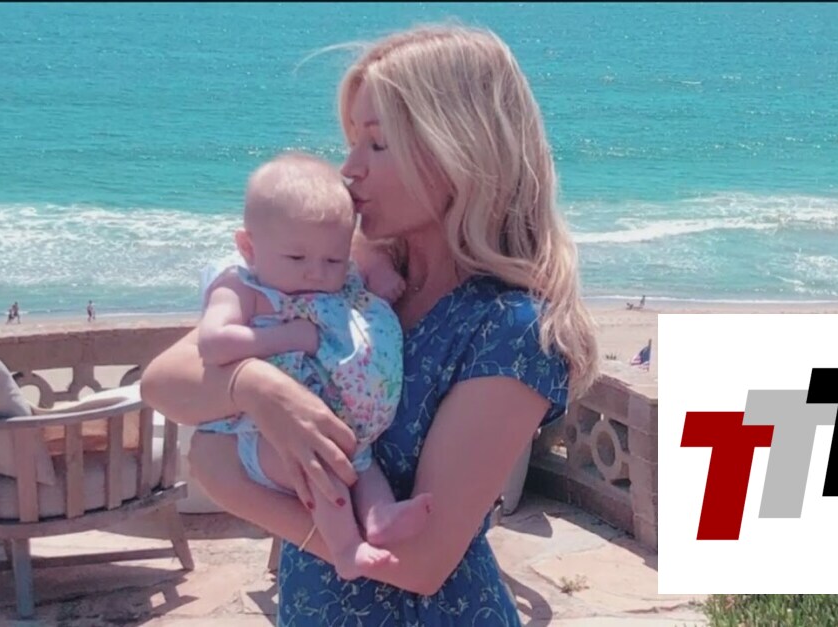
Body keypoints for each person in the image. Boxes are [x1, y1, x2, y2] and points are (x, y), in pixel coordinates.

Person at [142, 23, 600, 625]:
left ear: (460, 151)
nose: (349, 169)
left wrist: (230, 484)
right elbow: (163, 381)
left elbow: (422, 561)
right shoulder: (345, 274)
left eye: (378, 145)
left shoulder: (511, 329)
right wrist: (254, 387)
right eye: (353, 140)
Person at [195, 152, 431, 580]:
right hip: (260, 437)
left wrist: (377, 274)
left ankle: (379, 516)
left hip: (333, 427)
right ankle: (346, 549)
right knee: (320, 467)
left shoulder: (331, 281)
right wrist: (286, 337)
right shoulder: (243, 287)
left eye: (333, 261)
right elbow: (213, 342)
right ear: (249, 248)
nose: (316, 274)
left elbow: (362, 266)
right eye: (296, 259)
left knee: (360, 460)